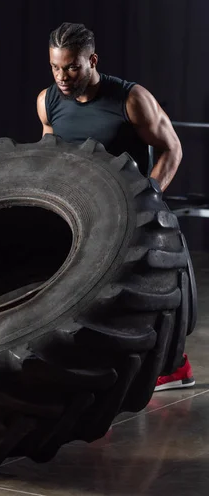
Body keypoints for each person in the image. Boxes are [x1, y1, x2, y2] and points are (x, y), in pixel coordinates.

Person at [37, 21, 195, 392]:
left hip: (129, 211)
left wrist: (150, 198)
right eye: (56, 67)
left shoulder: (130, 98)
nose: (63, 76)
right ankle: (89, 374)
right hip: (77, 211)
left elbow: (172, 148)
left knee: (146, 294)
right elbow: (48, 153)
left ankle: (174, 367)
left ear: (92, 60)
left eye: (72, 67)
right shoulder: (48, 101)